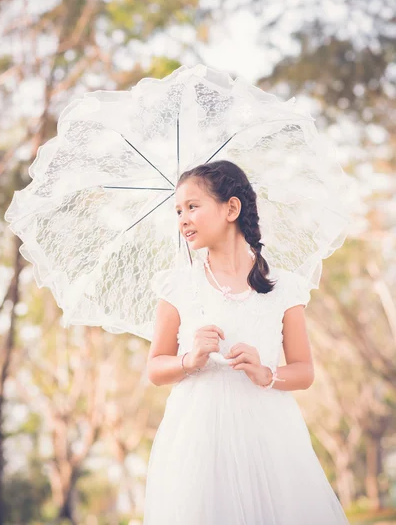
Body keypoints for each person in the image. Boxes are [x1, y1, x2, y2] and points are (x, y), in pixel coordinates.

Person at [143, 159, 350, 525]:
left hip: (268, 435)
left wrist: (266, 373)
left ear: (231, 208)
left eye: (192, 206)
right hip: (198, 440)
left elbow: (304, 371)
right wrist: (189, 360)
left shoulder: (283, 288)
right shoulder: (177, 286)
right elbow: (156, 367)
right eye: (178, 211)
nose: (183, 219)